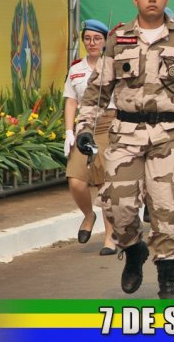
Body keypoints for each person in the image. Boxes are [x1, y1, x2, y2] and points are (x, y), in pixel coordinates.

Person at [75, 0, 174, 298]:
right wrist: (84, 127)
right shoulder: (119, 37)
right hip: (126, 133)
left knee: (167, 206)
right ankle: (134, 248)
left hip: (171, 134)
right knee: (117, 206)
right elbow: (97, 89)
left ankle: (168, 280)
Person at [63, 20, 117, 255]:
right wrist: (68, 131)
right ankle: (88, 215)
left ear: (105, 41)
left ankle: (110, 237)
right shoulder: (76, 68)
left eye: (97, 38)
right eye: (87, 39)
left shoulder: (113, 66)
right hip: (85, 128)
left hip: (108, 125)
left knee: (105, 183)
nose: (92, 43)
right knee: (76, 180)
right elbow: (71, 100)